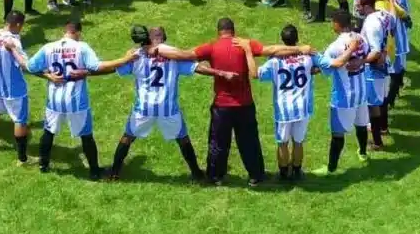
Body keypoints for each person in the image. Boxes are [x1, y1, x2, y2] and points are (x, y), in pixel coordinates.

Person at [155, 18, 309, 187]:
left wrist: (155, 50)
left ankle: (215, 177)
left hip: (222, 105)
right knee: (249, 142)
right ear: (233, 30)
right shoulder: (244, 44)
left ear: (218, 31)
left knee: (218, 142)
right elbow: (271, 50)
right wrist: (299, 49)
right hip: (245, 104)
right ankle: (256, 176)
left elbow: (184, 55)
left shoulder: (212, 46)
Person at [106, 26, 237, 181]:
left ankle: (114, 173)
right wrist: (221, 73)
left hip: (144, 109)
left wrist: (90, 71)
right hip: (168, 109)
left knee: (128, 137)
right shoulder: (173, 55)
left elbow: (116, 68)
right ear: (164, 37)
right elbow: (197, 68)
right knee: (183, 139)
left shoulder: (137, 55)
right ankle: (196, 173)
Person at [26, 20, 136, 178]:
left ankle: (44, 165)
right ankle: (94, 171)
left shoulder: (48, 48)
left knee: (49, 132)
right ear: (78, 32)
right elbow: (97, 67)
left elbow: (30, 67)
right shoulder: (81, 47)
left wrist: (47, 75)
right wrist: (124, 60)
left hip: (55, 100)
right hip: (76, 101)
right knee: (86, 136)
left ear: (65, 31)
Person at [249, 25, 354, 181]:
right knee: (298, 142)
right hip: (302, 107)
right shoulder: (309, 55)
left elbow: (256, 74)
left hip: (283, 110)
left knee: (282, 143)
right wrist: (351, 48)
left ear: (282, 41)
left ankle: (284, 174)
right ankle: (297, 172)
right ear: (297, 39)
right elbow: (334, 64)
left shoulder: (275, 60)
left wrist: (247, 54)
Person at [0, 11, 38, 166]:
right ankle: (23, 159)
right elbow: (26, 64)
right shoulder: (14, 42)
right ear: (18, 24)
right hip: (15, 89)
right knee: (20, 121)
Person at [312, 11, 369, 175]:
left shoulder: (335, 46)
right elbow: (364, 56)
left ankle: (331, 168)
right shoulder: (361, 39)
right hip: (361, 92)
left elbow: (326, 67)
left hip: (344, 96)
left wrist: (309, 69)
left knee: (337, 134)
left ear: (337, 23)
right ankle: (363, 152)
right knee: (362, 124)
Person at [377, 0, 412, 129]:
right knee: (392, 54)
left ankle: (392, 95)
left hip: (398, 18)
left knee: (397, 54)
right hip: (388, 16)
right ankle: (394, 89)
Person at [357, 0, 395, 149]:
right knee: (381, 101)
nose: (356, 8)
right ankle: (382, 130)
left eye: (358, 6)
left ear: (366, 6)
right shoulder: (383, 14)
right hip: (386, 65)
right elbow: (393, 22)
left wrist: (361, 61)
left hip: (374, 70)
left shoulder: (371, 24)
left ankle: (377, 142)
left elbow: (375, 51)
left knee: (373, 105)